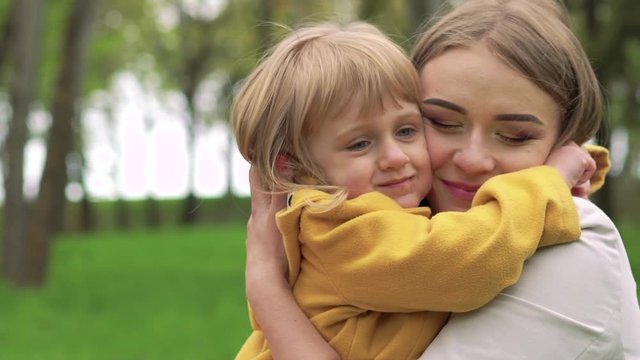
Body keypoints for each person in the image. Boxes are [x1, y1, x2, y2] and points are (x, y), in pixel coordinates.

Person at [242, 1, 640, 359]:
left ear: (564, 139)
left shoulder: (577, 254)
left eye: (406, 131)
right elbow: (468, 259)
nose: (470, 160)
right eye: (443, 122)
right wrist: (549, 181)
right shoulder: (346, 225)